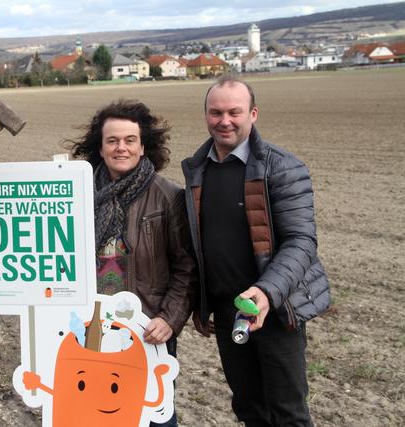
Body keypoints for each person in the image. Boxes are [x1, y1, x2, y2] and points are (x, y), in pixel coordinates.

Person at [181, 75, 330, 426]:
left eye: (235, 111)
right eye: (216, 112)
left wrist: (266, 292)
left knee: (289, 414)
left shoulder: (281, 167)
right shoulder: (197, 170)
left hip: (276, 311)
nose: (224, 121)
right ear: (206, 115)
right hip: (228, 312)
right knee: (249, 410)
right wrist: (201, 302)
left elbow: (301, 241)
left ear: (253, 114)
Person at [69, 99, 196, 427]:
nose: (120, 148)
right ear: (100, 147)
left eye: (129, 140)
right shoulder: (77, 193)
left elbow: (187, 267)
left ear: (143, 147)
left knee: (152, 413)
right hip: (90, 328)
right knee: (97, 414)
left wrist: (169, 319)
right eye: (112, 141)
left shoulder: (168, 197)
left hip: (147, 328)